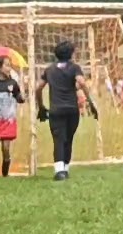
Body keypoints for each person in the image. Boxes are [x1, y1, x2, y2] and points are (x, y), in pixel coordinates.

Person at [35, 40, 97, 181]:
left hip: (56, 110)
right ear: (71, 54)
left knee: (58, 139)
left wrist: (41, 105)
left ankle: (59, 171)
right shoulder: (74, 68)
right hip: (72, 109)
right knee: (68, 139)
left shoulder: (49, 70)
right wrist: (90, 102)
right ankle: (65, 169)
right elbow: (81, 82)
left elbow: (38, 88)